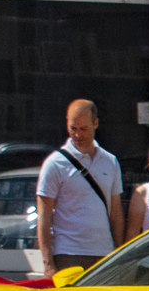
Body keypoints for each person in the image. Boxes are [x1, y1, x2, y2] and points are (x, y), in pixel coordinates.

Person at [34, 98, 126, 277]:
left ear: (96, 123)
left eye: (83, 129)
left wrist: (120, 252)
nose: (77, 135)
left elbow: (116, 211)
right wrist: (48, 264)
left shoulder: (110, 161)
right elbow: (44, 216)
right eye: (73, 128)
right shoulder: (54, 164)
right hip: (68, 253)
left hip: (104, 253)